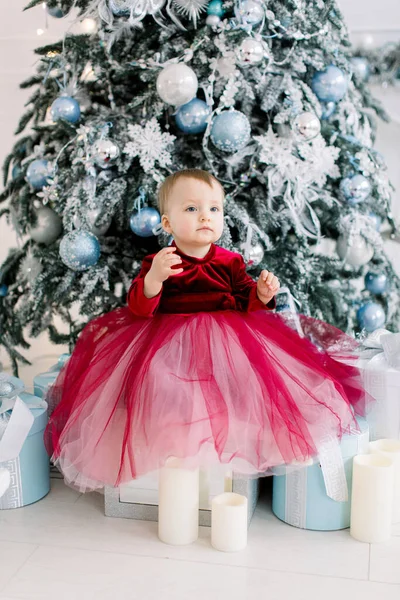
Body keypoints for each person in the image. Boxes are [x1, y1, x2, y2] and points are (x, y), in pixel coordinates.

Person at [45, 169, 367, 492]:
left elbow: (247, 302)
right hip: (168, 342)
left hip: (226, 340)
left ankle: (239, 443)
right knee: (164, 384)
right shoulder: (160, 260)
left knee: (243, 383)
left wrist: (263, 296)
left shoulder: (230, 262)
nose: (205, 217)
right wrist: (155, 278)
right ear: (168, 224)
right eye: (191, 209)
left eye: (214, 209)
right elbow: (139, 308)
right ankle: (172, 445)